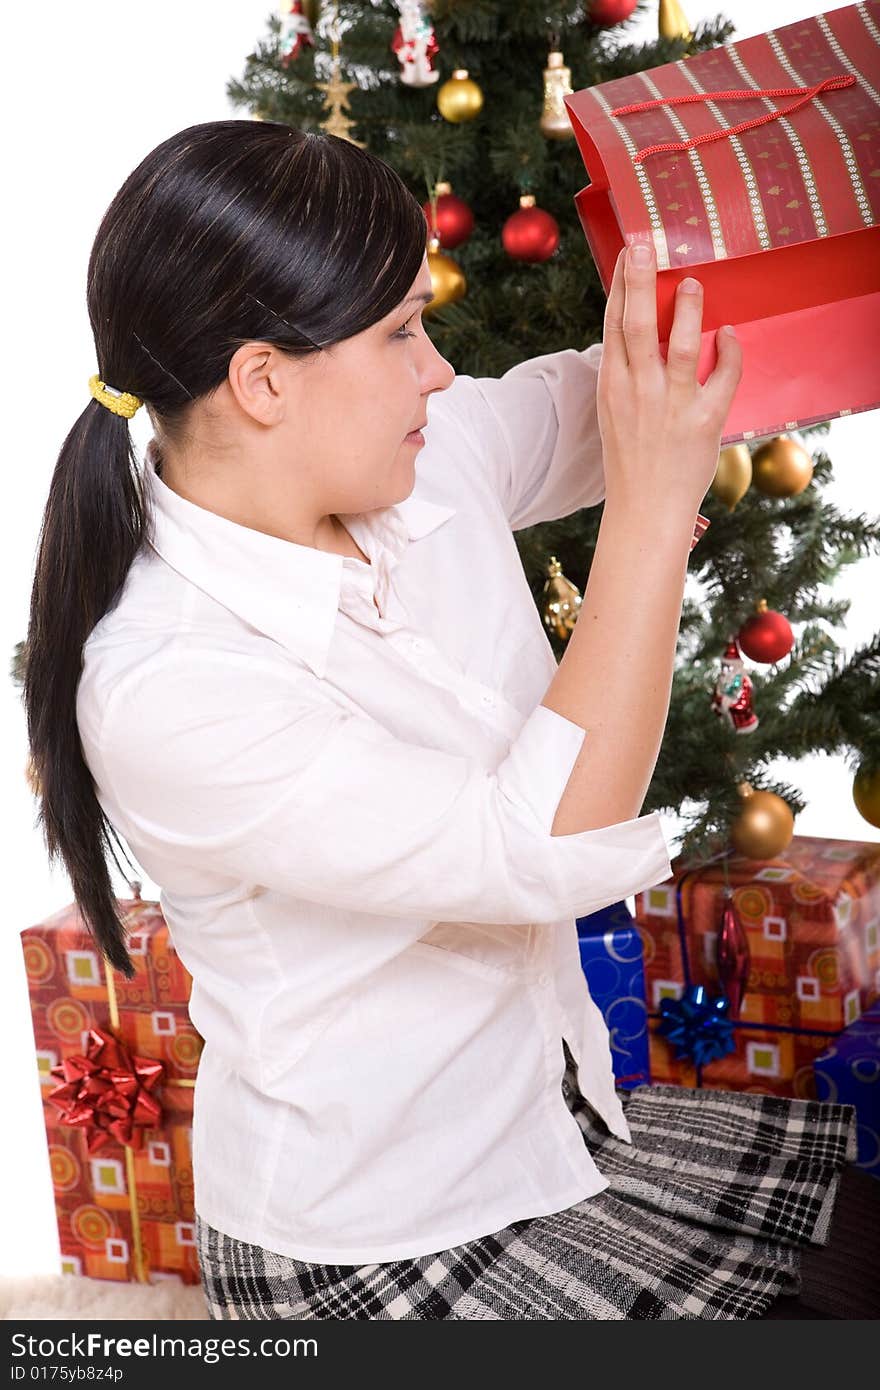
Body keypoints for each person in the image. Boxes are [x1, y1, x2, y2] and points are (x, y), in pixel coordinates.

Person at [25, 119, 863, 1320]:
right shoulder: (165, 684)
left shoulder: (418, 454)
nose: (439, 371)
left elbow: (642, 389)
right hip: (371, 1238)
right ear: (263, 380)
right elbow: (538, 844)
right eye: (402, 333)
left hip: (547, 1120)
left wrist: (798, 256)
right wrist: (649, 515)